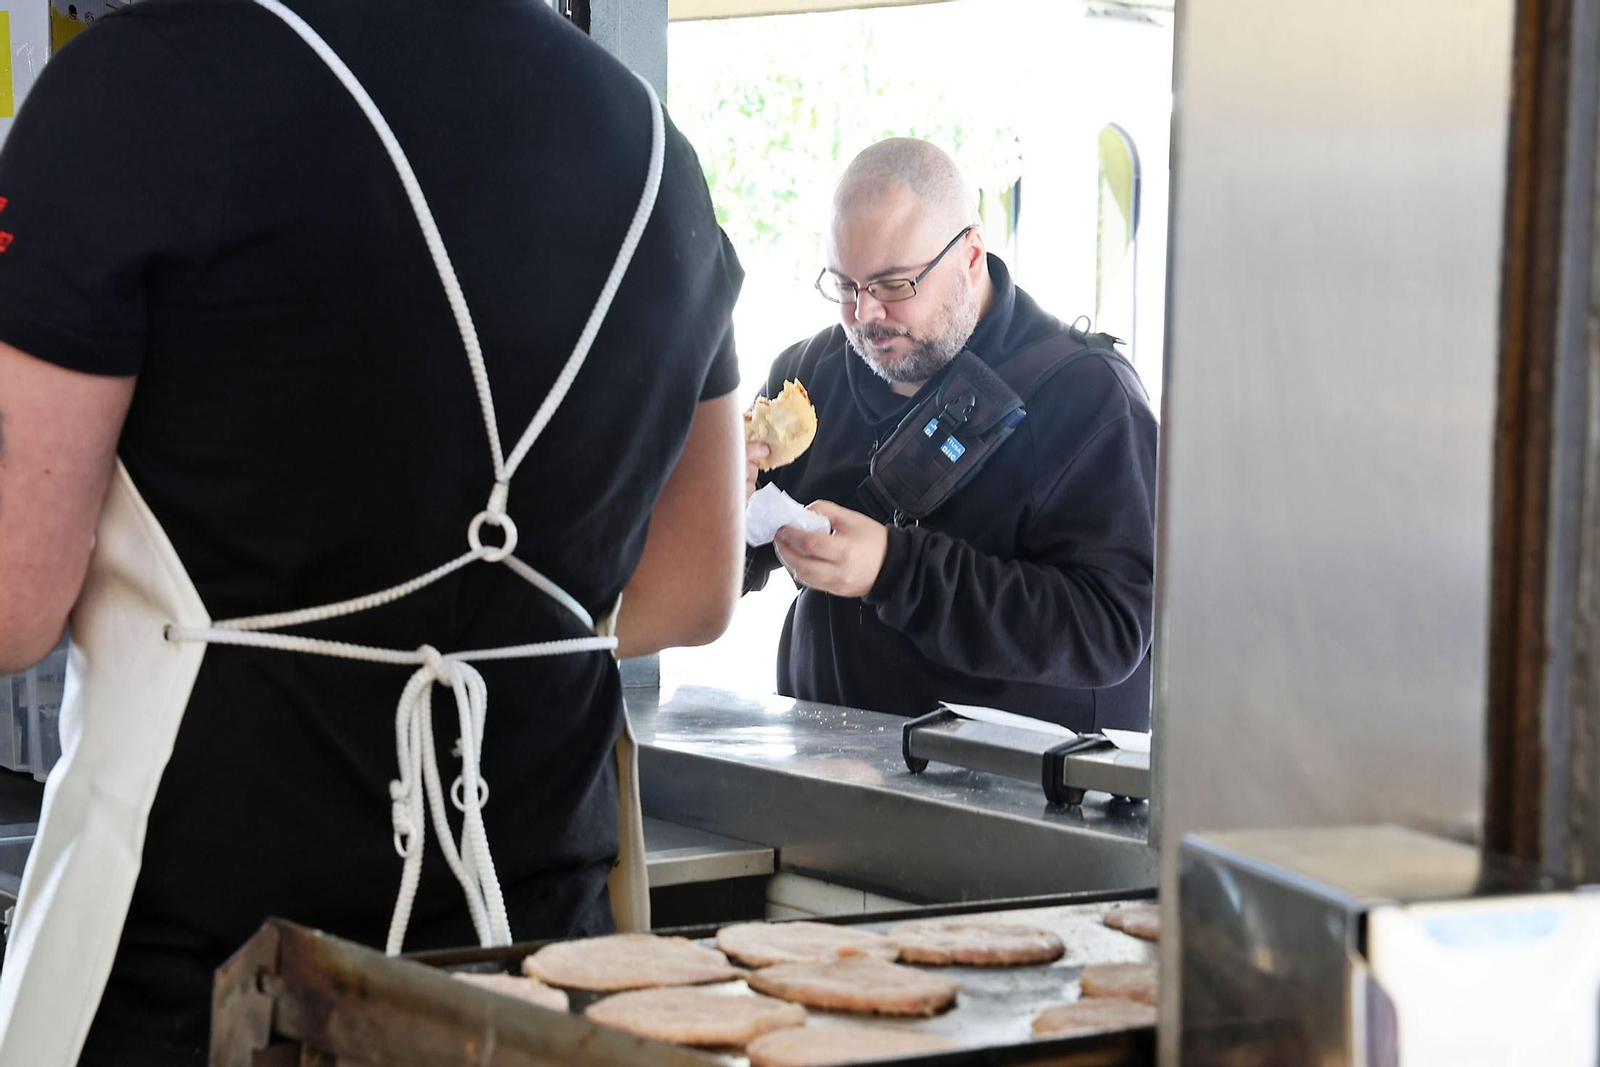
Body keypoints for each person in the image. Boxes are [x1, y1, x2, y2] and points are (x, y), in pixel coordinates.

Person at [0, 1, 744, 1063]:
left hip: (215, 985)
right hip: (539, 966)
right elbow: (690, 587)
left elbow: (10, 602)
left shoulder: (137, 89)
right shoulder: (657, 150)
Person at [744, 138, 1157, 733]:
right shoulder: (809, 376)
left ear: (970, 255)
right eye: (844, 286)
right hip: (822, 775)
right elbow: (732, 562)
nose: (865, 316)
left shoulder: (1091, 400)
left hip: (1013, 801)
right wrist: (714, 505)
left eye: (893, 285)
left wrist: (894, 569)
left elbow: (1112, 631)